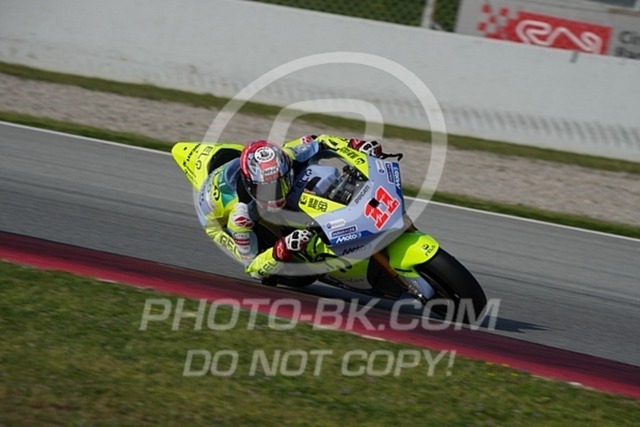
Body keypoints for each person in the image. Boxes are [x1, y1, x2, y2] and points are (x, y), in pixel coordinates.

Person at [197, 134, 431, 300]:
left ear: (285, 169)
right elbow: (252, 267)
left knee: (319, 182)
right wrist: (281, 249)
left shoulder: (289, 155)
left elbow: (322, 141)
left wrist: (356, 146)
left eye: (280, 184)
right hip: (214, 219)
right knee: (270, 253)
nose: (274, 193)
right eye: (266, 190)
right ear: (251, 186)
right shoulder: (241, 216)